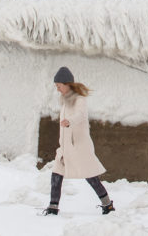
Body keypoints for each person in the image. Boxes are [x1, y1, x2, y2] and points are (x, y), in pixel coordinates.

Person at [42, 66, 115, 216]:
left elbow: (81, 115)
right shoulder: (64, 101)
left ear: (67, 84)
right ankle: (53, 207)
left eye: (59, 86)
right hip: (65, 148)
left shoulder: (79, 100)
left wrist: (70, 121)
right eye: (56, 86)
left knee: (91, 177)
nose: (57, 89)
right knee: (56, 174)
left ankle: (107, 204)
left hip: (79, 147)